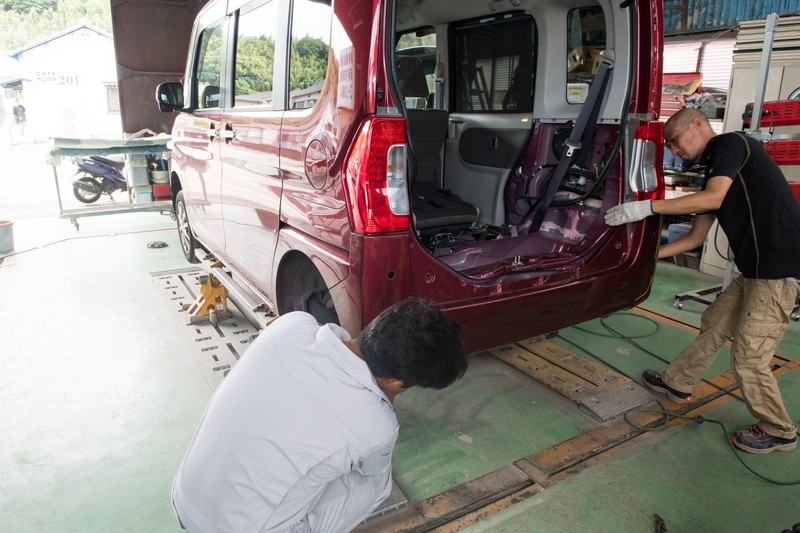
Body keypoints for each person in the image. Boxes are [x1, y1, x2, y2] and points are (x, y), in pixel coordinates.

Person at [172, 298, 468, 533]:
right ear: (394, 382)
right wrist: (382, 404)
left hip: (185, 497)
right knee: (377, 479)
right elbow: (368, 466)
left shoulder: (291, 325)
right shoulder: (376, 426)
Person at [605, 107, 800, 455]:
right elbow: (695, 238)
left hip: (777, 270)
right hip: (755, 270)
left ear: (697, 124)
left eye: (675, 141)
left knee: (749, 357)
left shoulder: (732, 143)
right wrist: (641, 259)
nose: (674, 151)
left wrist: (647, 208)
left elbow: (713, 198)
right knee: (715, 323)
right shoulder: (715, 172)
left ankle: (780, 430)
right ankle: (678, 383)